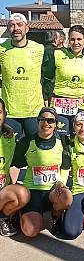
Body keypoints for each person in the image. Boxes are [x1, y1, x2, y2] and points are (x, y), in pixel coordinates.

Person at [11, 107, 73, 237]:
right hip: (33, 191)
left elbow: (66, 167)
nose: (46, 123)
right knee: (31, 231)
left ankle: (56, 215)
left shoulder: (62, 141)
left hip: (53, 190)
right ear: (38, 122)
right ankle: (21, 212)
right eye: (42, 120)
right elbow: (15, 166)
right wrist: (15, 190)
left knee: (67, 197)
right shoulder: (26, 142)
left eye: (50, 120)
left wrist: (60, 182)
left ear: (56, 124)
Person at [43, 25, 84, 136]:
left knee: (79, 140)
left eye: (79, 39)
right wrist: (46, 98)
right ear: (68, 40)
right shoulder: (57, 54)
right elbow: (47, 78)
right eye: (72, 39)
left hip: (81, 106)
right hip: (59, 106)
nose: (76, 42)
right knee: (62, 141)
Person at [0, 13, 44, 136]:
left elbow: (49, 75)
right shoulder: (1, 49)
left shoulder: (39, 49)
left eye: (20, 25)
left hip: (34, 112)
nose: (16, 28)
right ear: (8, 29)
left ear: (27, 28)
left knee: (35, 152)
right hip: (10, 113)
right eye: (12, 25)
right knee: (13, 152)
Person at [0, 98, 30, 237]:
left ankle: (3, 218)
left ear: (5, 115)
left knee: (22, 194)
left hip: (2, 190)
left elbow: (13, 165)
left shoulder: (10, 137)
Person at [42, 31, 66, 106]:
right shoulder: (51, 50)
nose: (53, 39)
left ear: (61, 40)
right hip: (48, 82)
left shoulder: (66, 53)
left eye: (55, 37)